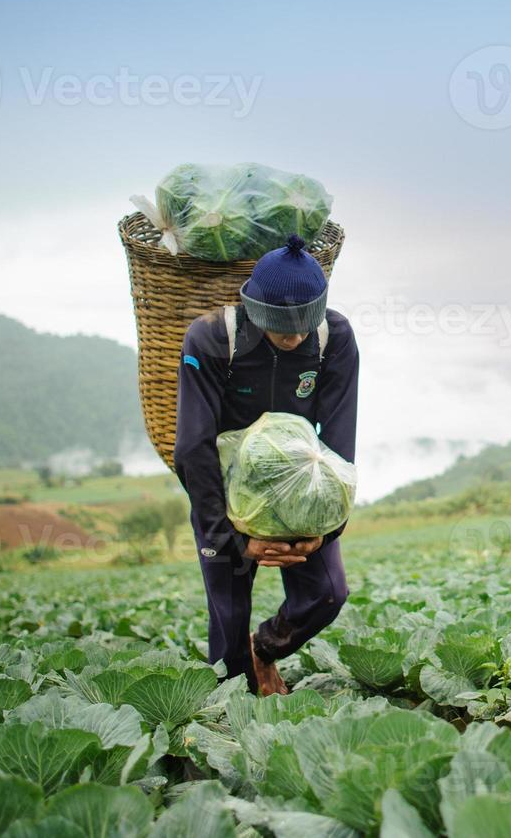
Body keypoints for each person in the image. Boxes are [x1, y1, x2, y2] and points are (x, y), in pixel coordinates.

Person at [173, 235, 358, 696]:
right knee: (228, 624)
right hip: (228, 498)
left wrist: (322, 530)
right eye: (281, 327)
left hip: (301, 496)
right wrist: (237, 538)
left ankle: (266, 651)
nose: (293, 338)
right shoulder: (213, 337)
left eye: (302, 326)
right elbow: (193, 448)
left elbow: (338, 444)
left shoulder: (334, 338)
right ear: (254, 308)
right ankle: (230, 712)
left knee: (328, 594)